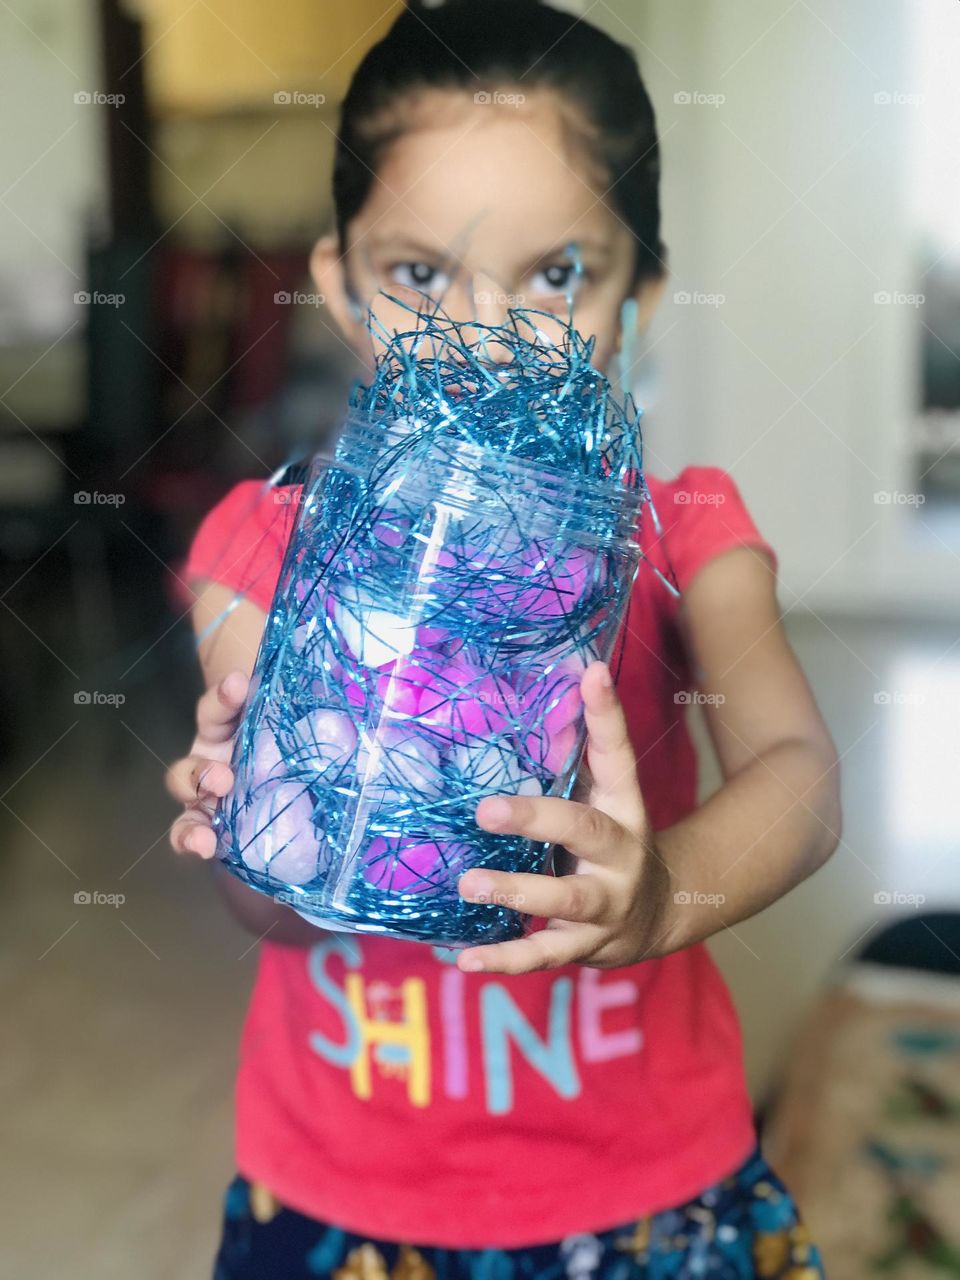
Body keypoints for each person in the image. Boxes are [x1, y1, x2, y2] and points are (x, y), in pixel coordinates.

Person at [166, 2, 840, 1275]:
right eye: (422, 275)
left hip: (644, 1187)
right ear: (338, 283)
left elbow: (802, 776)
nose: (488, 338)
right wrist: (247, 806)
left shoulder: (682, 525)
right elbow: (278, 910)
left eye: (556, 276)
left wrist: (656, 897)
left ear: (641, 296)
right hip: (345, 1194)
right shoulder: (261, 546)